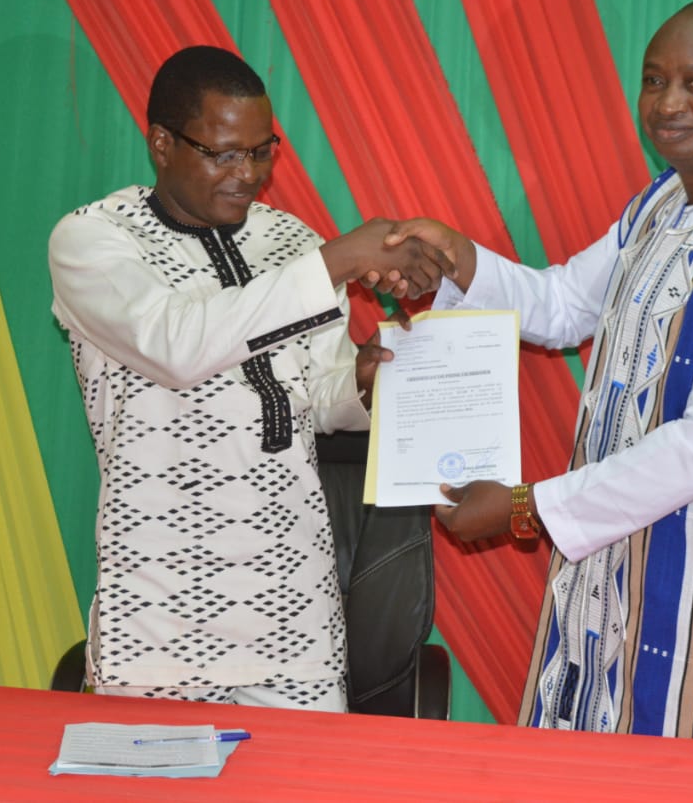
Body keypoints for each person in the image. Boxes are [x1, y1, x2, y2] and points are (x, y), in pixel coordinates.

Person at [385, 0, 693, 745]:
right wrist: (456, 256)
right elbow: (561, 305)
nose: (668, 104)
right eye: (654, 80)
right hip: (615, 576)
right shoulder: (662, 204)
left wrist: (526, 507)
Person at [48, 45, 450, 712]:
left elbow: (315, 397)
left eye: (262, 152)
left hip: (295, 610)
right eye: (225, 153)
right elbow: (177, 345)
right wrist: (336, 261)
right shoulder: (94, 240)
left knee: (306, 770)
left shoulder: (290, 240)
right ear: (161, 143)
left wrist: (363, 383)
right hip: (159, 614)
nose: (249, 175)